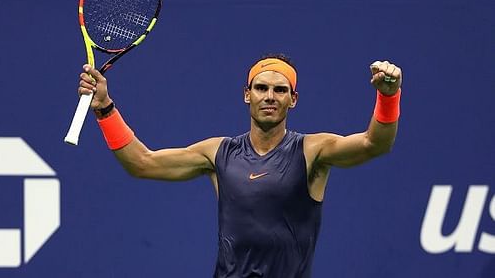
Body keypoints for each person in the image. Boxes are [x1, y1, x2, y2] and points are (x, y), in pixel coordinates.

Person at [78, 53, 402, 278]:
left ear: (294, 99)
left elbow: (374, 144)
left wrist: (389, 96)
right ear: (247, 95)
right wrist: (105, 108)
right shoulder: (217, 153)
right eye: (261, 88)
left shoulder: (313, 150)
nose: (270, 96)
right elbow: (142, 163)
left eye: (280, 90)